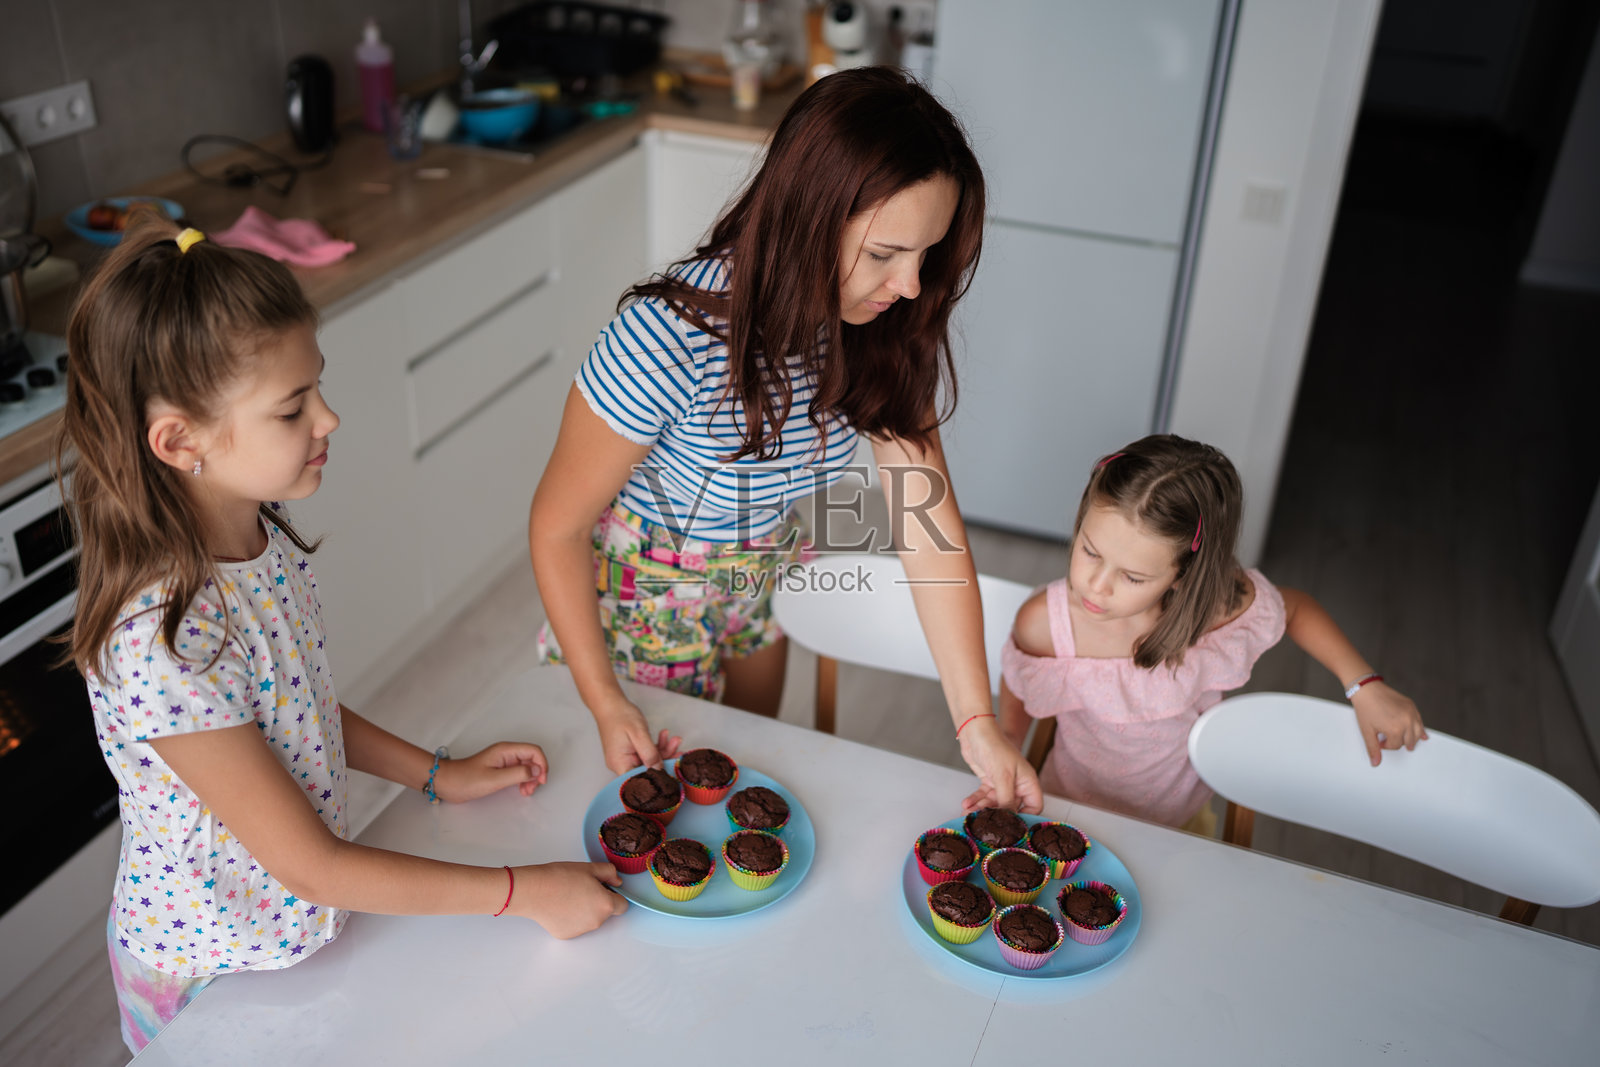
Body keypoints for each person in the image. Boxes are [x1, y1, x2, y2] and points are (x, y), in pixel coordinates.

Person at [60, 213, 626, 1054]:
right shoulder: (164, 638)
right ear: (180, 442)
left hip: (300, 940)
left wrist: (439, 774)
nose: (329, 419)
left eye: (316, 388)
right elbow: (313, 865)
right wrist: (523, 890)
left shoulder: (259, 528)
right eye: (293, 408)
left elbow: (298, 708)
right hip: (213, 977)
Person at [528, 67, 1041, 814]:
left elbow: (929, 537)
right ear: (808, 216)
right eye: (885, 254)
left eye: (926, 257)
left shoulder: (876, 333)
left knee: (741, 789)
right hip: (638, 616)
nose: (910, 285)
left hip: (756, 582)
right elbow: (557, 526)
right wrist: (605, 700)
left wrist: (976, 724)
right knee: (653, 823)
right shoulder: (668, 338)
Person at [998, 434, 1427, 833]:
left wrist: (1364, 684)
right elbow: (1022, 679)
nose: (1097, 584)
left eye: (1131, 577)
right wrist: (1010, 740)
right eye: (1090, 551)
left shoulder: (1216, 611)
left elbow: (1295, 608)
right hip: (1062, 817)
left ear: (1183, 575)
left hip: (1179, 827)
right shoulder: (1046, 623)